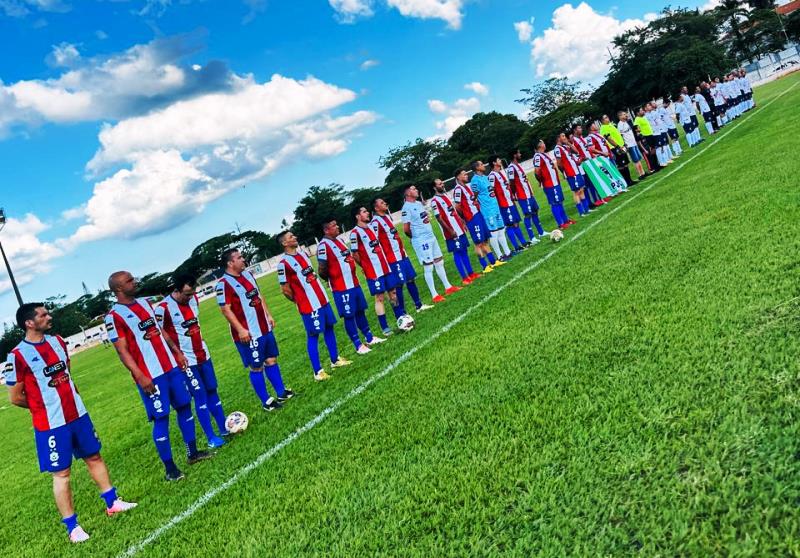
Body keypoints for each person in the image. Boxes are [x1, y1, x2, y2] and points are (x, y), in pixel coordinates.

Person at [6, 303, 137, 543]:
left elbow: (67, 374)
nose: (49, 316)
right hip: (52, 425)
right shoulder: (16, 356)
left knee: (94, 456)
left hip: (78, 414)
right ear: (29, 322)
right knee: (62, 474)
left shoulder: (57, 341)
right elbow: (15, 397)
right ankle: (73, 527)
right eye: (43, 314)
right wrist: (42, 408)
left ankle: (113, 503)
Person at [106, 271, 213, 482]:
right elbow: (122, 350)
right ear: (118, 288)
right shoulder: (114, 316)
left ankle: (193, 453)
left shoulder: (145, 303)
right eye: (129, 280)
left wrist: (177, 352)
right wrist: (139, 376)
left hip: (171, 368)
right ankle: (170, 468)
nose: (134, 281)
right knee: (161, 418)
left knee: (184, 406)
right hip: (151, 376)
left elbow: (160, 331)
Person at [155, 274, 228, 448]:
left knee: (212, 391)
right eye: (186, 294)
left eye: (192, 293)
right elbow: (159, 333)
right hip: (187, 361)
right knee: (199, 396)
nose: (190, 297)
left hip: (203, 354)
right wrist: (177, 352)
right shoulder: (162, 308)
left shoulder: (194, 299)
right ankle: (211, 437)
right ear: (176, 290)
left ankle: (224, 428)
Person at [216, 249, 291, 411]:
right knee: (256, 366)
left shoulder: (248, 275)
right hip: (248, 334)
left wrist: (268, 315)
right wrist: (241, 330)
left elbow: (259, 296)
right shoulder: (223, 284)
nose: (243, 259)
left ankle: (281, 392)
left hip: (263, 327)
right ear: (230, 263)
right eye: (239, 257)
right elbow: (225, 309)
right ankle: (266, 401)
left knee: (271, 359)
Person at [277, 231, 351, 381]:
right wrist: (299, 301)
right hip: (308, 305)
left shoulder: (303, 254)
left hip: (322, 299)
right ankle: (318, 371)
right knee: (313, 335)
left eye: (293, 235)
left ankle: (335, 359)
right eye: (291, 237)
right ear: (284, 243)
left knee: (329, 327)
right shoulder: (283, 264)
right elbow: (285, 289)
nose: (295, 237)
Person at [317, 219, 386, 352]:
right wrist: (332, 279)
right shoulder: (323, 246)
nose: (337, 227)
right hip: (341, 287)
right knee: (349, 315)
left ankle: (369, 337)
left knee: (360, 311)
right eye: (333, 225)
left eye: (337, 224)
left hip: (354, 283)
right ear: (326, 230)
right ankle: (358, 344)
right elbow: (322, 268)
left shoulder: (340, 241)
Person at [350, 206, 408, 335]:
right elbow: (354, 254)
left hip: (385, 267)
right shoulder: (355, 233)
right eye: (364, 212)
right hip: (373, 271)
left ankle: (401, 318)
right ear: (358, 216)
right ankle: (385, 327)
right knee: (380, 297)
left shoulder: (371, 227)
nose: (367, 213)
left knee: (393, 293)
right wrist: (365, 266)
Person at [370, 198, 432, 313]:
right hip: (392, 258)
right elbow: (375, 241)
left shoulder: (387, 217)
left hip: (402, 254)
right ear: (376, 208)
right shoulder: (375, 222)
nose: (385, 203)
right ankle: (402, 313)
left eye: (385, 202)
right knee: (398, 285)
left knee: (410, 279)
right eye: (382, 203)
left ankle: (419, 305)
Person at [401, 185, 461, 302]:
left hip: (431, 236)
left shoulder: (418, 204)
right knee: (428, 266)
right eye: (413, 189)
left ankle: (448, 287)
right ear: (407, 193)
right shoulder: (406, 208)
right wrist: (417, 237)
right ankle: (434, 295)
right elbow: (406, 229)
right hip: (422, 240)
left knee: (439, 261)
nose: (416, 190)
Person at [430, 178, 480, 284]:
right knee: (457, 253)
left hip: (459, 228)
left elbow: (454, 211)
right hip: (451, 231)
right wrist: (449, 230)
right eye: (439, 184)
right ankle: (464, 278)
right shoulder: (434, 201)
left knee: (464, 250)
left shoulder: (446, 196)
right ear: (434, 187)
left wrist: (462, 222)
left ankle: (471, 273)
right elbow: (439, 218)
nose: (442, 184)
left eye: (442, 182)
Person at [452, 168, 500, 272]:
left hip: (478, 215)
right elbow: (457, 206)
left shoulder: (467, 187)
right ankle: (484, 266)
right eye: (464, 174)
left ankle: (493, 262)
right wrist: (464, 218)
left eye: (466, 174)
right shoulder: (458, 189)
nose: (466, 176)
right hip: (471, 218)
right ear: (458, 177)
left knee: (485, 239)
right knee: (478, 242)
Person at [470, 160, 514, 261]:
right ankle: (499, 256)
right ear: (477, 168)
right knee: (493, 232)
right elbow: (474, 196)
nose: (483, 165)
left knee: (501, 230)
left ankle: (507, 252)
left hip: (495, 207)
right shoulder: (475, 180)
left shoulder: (485, 177)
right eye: (481, 164)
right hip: (487, 210)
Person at [487, 155, 529, 251]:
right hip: (503, 204)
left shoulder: (501, 173)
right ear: (494, 163)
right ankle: (516, 247)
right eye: (498, 160)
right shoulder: (492, 176)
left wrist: (512, 196)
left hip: (510, 202)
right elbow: (492, 191)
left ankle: (523, 242)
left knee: (516, 223)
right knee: (510, 225)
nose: (500, 161)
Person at [506, 148, 547, 242]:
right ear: (514, 155)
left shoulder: (517, 165)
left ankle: (541, 232)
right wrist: (515, 194)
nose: (520, 154)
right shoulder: (511, 168)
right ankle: (532, 237)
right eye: (518, 153)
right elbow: (511, 183)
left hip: (529, 194)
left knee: (535, 211)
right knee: (528, 215)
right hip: (522, 195)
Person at [532, 140, 571, 230]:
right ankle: (560, 223)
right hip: (549, 184)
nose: (544, 144)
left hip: (555, 182)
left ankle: (565, 220)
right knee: (555, 203)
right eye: (543, 142)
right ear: (540, 145)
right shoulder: (537, 156)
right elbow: (537, 171)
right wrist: (541, 180)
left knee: (559, 201)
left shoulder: (544, 154)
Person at [571, 124, 612, 204]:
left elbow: (589, 149)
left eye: (581, 127)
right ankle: (593, 201)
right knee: (589, 183)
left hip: (591, 161)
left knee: (595, 180)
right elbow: (575, 153)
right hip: (584, 164)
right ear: (575, 130)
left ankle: (601, 198)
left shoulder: (582, 138)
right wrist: (582, 159)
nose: (581, 129)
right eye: (579, 128)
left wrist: (594, 156)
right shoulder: (573, 141)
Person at [585, 123, 627, 193]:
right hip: (602, 158)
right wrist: (602, 153)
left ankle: (619, 188)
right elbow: (591, 149)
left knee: (614, 171)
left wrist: (610, 152)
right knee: (609, 174)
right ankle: (615, 190)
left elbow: (605, 145)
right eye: (594, 125)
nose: (596, 126)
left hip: (609, 156)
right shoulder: (590, 137)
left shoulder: (598, 134)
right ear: (591, 127)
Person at [554, 133, 589, 217]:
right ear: (558, 138)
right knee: (576, 191)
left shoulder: (565, 147)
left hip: (576, 171)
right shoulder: (557, 149)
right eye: (563, 136)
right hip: (570, 173)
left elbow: (576, 151)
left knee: (581, 189)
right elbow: (559, 164)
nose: (565, 137)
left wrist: (568, 143)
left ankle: (586, 209)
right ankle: (581, 212)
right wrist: (564, 172)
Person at [599, 115, 637, 186]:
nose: (608, 119)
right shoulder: (603, 128)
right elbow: (609, 138)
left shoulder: (611, 125)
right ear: (602, 121)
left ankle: (630, 180)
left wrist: (623, 144)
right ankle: (626, 182)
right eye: (606, 118)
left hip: (621, 146)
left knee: (625, 164)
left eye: (608, 117)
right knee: (621, 165)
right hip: (615, 148)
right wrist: (617, 146)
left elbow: (618, 135)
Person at [616, 111, 647, 179]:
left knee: (638, 158)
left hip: (633, 142)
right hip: (629, 144)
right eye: (624, 114)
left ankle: (643, 172)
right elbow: (621, 135)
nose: (625, 115)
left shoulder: (626, 122)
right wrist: (625, 145)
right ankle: (640, 174)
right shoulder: (620, 125)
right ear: (620, 117)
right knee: (635, 160)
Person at [634, 106, 662, 173]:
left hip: (650, 135)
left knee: (654, 150)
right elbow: (636, 130)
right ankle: (653, 167)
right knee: (650, 152)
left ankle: (657, 165)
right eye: (641, 110)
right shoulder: (637, 120)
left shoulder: (644, 117)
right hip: (646, 137)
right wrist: (641, 136)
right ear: (637, 113)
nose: (643, 111)